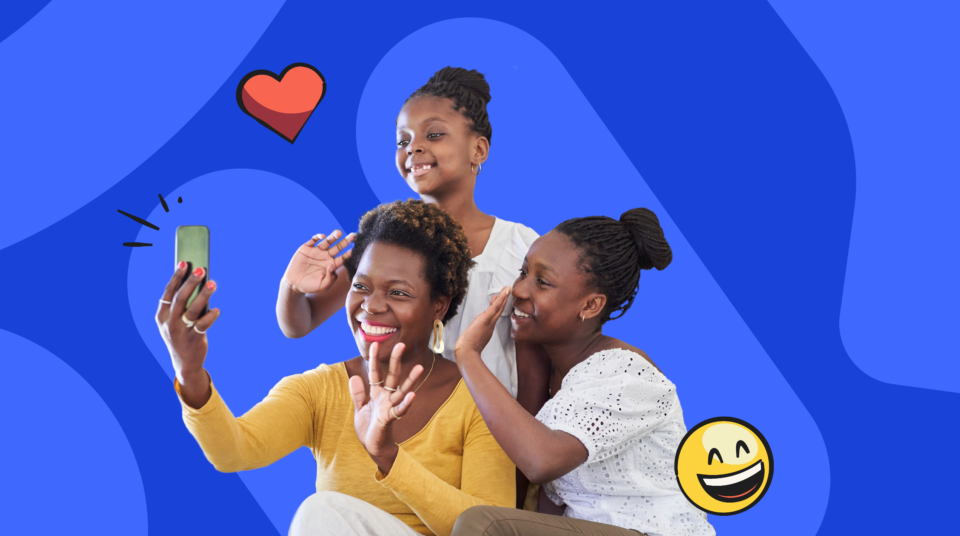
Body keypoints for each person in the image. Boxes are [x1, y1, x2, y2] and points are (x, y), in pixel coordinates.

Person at [276, 66, 550, 505]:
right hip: (398, 433)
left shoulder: (522, 247)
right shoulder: (387, 243)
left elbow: (538, 360)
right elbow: (300, 322)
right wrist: (293, 287)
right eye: (403, 140)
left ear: (478, 148)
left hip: (487, 443)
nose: (414, 148)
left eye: (434, 135)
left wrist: (524, 455)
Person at [157, 200, 515, 536]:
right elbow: (234, 451)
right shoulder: (321, 391)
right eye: (361, 286)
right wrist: (189, 372)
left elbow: (492, 528)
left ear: (439, 305)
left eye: (398, 293)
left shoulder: (478, 400)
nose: (370, 306)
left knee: (322, 512)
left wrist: (388, 456)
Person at [450, 209, 716, 536]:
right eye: (523, 273)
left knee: (484, 524)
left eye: (542, 282)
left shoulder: (624, 373)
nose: (519, 289)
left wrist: (468, 355)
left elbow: (540, 461)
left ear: (590, 306)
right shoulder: (554, 376)